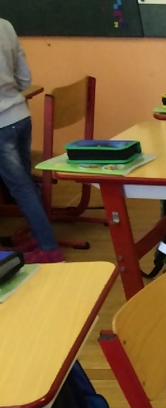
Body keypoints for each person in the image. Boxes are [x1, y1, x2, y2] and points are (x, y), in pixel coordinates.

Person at [0, 18, 62, 263]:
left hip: (1, 127)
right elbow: (25, 80)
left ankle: (49, 249)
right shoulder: (5, 25)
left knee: (21, 189)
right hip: (20, 117)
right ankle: (40, 235)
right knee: (25, 184)